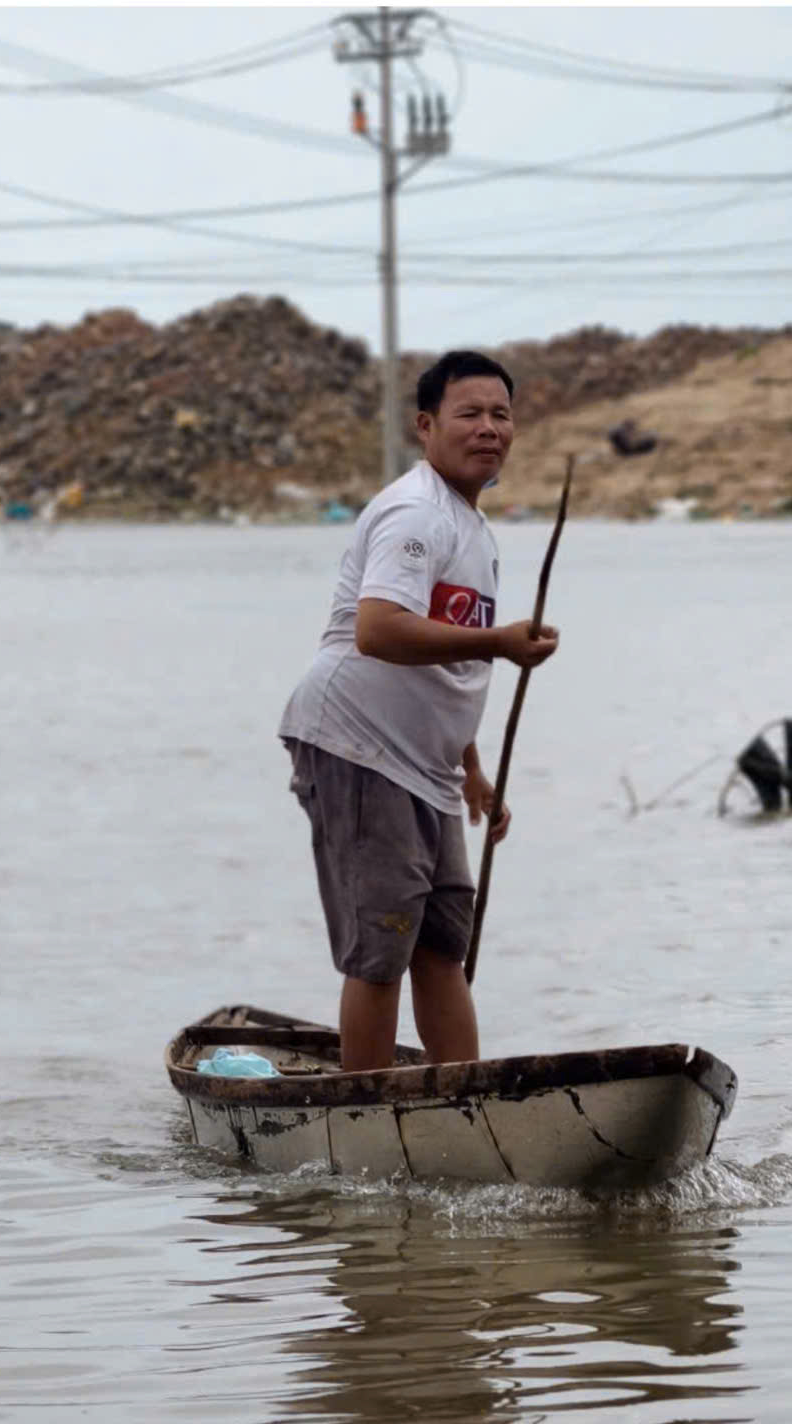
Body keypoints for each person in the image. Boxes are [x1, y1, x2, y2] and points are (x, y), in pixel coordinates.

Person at [278, 350, 559, 1073]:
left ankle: (461, 1103)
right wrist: (499, 641)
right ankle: (366, 1114)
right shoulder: (416, 513)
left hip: (426, 769)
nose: (489, 428)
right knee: (382, 947)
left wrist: (472, 771)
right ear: (426, 427)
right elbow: (379, 631)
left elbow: (445, 664)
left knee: (441, 945)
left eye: (501, 414)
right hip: (358, 744)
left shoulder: (472, 527)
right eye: (470, 414)